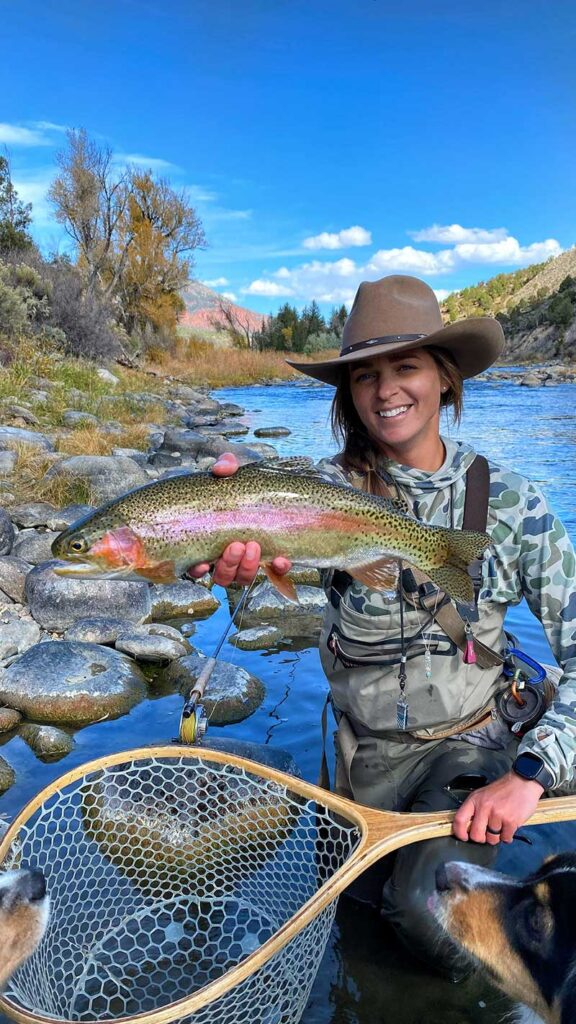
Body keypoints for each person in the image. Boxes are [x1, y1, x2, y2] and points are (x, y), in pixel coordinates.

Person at [189, 274, 576, 973]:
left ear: (445, 379)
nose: (386, 390)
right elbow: (246, 549)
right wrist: (213, 527)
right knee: (358, 914)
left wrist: (530, 773)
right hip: (360, 753)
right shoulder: (323, 491)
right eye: (366, 375)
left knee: (428, 919)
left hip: (468, 747)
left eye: (406, 367)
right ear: (348, 393)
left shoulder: (515, 506)